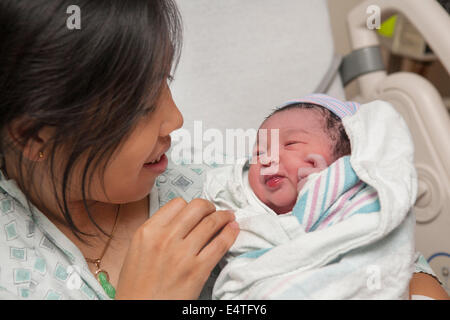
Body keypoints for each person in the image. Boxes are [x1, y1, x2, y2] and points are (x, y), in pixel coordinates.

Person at [0, 0, 446, 300]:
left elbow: (389, 250)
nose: (175, 120)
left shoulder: (220, 185)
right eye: (137, 108)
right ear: (33, 136)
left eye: (165, 82)